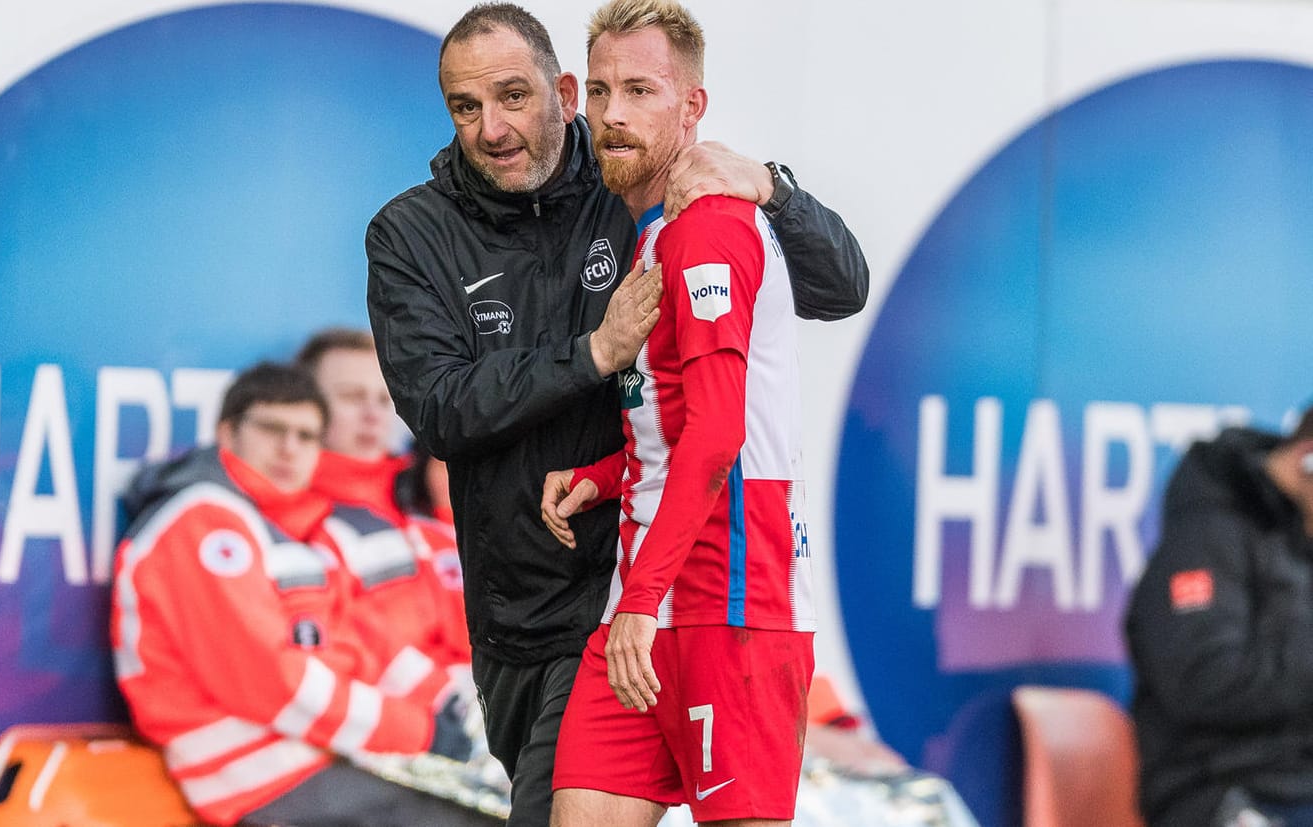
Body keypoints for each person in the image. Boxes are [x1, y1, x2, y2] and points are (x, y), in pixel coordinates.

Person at [364, 4, 868, 824]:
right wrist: (592, 357)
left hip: (655, 592)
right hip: (519, 614)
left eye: (514, 96)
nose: (492, 127)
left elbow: (835, 291)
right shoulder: (411, 233)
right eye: (465, 106)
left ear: (560, 95)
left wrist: (773, 187)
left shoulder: (639, 190)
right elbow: (439, 410)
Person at [538, 2, 815, 823]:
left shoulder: (709, 229)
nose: (613, 114)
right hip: (647, 602)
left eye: (639, 91)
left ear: (692, 107)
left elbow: (722, 434)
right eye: (598, 90)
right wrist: (601, 477)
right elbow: (675, 422)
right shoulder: (652, 233)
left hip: (728, 607)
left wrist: (638, 601)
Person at [109, 362, 492, 827]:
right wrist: (418, 730)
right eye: (273, 430)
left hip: (320, 755)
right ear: (228, 434)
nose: (289, 449)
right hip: (256, 775)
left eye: (307, 436)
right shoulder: (202, 522)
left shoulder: (286, 526)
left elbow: (357, 648)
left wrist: (454, 714)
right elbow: (267, 680)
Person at [1126, 407, 1313, 827]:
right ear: (1308, 459)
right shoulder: (1204, 538)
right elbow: (1202, 682)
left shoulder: (1300, 535)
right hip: (1218, 792)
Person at [296, 327, 472, 687]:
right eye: (351, 397)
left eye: (383, 398)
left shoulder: (427, 493)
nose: (372, 414)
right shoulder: (298, 519)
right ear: (306, 409)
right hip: (417, 719)